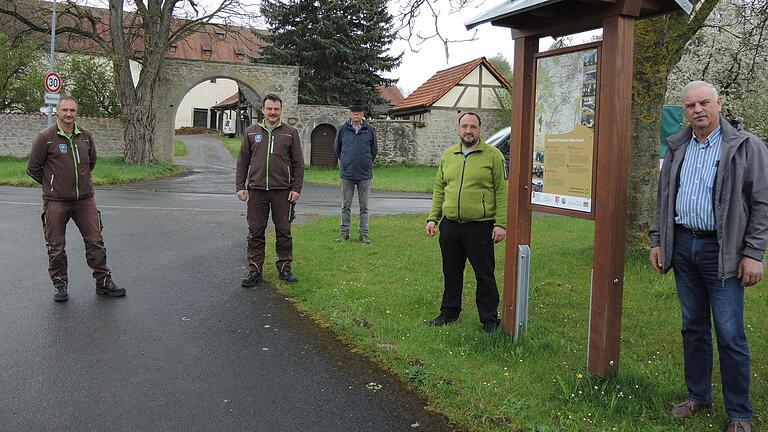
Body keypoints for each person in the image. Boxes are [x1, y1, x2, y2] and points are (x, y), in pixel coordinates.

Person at [649, 81, 768, 432]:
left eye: (703, 103)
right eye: (690, 105)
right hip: (684, 246)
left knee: (730, 333)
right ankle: (698, 397)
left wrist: (754, 253)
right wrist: (658, 240)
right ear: (684, 111)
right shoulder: (678, 146)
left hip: (724, 251)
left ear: (718, 103)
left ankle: (740, 414)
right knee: (693, 327)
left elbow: (762, 204)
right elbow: (664, 198)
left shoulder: (747, 147)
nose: (697, 110)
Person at [26, 95, 126, 302]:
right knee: (56, 246)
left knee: (95, 241)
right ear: (57, 112)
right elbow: (33, 169)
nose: (69, 114)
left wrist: (80, 184)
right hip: (56, 202)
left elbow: (91, 163)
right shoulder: (45, 137)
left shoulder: (86, 136)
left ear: (76, 112)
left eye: (72, 110)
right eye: (65, 110)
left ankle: (104, 281)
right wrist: (53, 185)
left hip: (85, 201)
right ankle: (60, 285)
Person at [425, 112, 508, 333]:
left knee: (484, 274)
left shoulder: (493, 156)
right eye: (464, 126)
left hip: (480, 226)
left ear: (479, 129)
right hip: (451, 225)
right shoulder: (448, 155)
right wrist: (433, 218)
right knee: (451, 272)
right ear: (459, 128)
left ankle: (489, 319)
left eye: (473, 126)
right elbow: (439, 188)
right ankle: (449, 313)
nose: (468, 131)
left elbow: (501, 191)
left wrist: (501, 224)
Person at [236, 94, 304, 286]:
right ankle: (254, 270)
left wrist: (296, 188)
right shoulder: (251, 132)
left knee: (284, 231)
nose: (272, 112)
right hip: (256, 191)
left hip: (283, 192)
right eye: (269, 109)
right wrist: (240, 186)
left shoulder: (290, 133)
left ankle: (285, 268)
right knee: (255, 231)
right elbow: (243, 162)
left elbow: (298, 164)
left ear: (281, 110)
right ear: (263, 110)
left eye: (276, 109)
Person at [334, 100, 378, 244]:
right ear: (350, 113)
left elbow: (374, 151)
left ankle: (363, 234)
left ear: (362, 114)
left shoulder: (369, 130)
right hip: (347, 174)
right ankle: (344, 233)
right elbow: (337, 149)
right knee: (345, 206)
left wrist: (365, 162)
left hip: (364, 175)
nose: (356, 114)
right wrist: (346, 161)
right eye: (354, 112)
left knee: (364, 207)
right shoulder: (342, 129)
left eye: (358, 112)